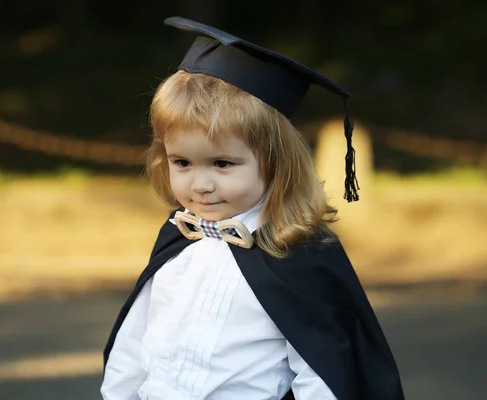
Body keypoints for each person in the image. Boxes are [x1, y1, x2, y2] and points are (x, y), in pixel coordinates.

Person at [101, 16, 404, 400]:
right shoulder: (177, 241)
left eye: (222, 164)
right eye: (182, 163)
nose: (201, 184)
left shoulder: (297, 257)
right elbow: (134, 343)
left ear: (276, 162)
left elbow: (324, 372)